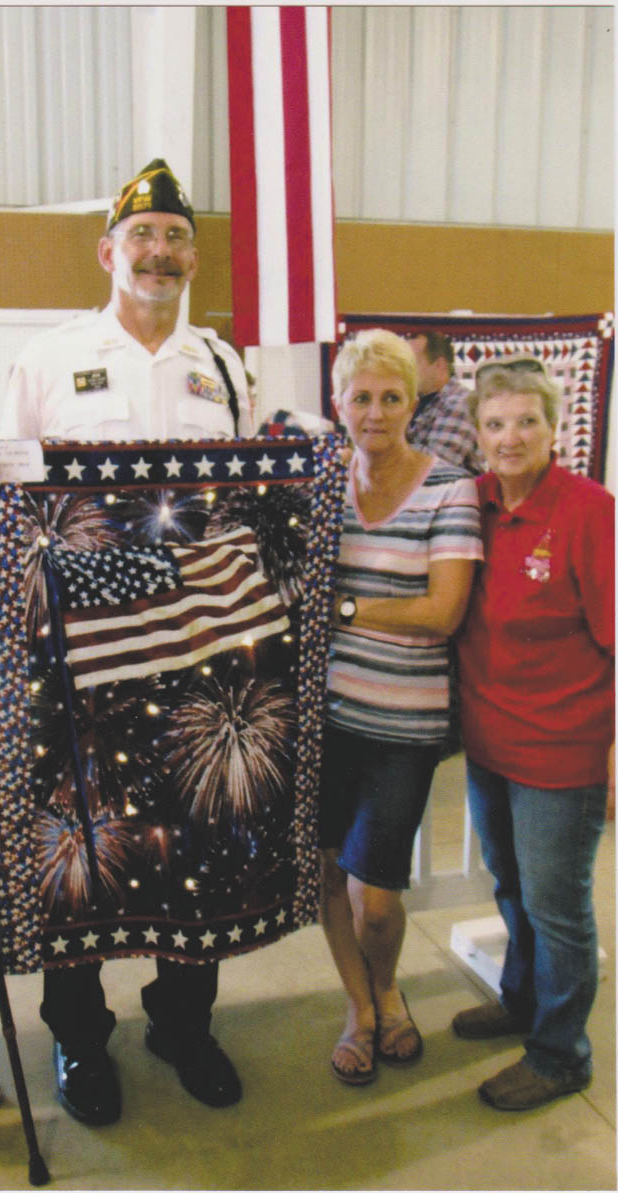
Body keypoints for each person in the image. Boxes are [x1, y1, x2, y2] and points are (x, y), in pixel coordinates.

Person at [0, 159, 249, 1125]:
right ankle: (80, 1042)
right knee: (81, 846)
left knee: (196, 838)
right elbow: (9, 497)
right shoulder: (49, 358)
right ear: (109, 251)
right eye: (143, 236)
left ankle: (184, 1020)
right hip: (81, 654)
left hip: (197, 648)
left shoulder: (226, 363)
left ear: (192, 256)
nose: (159, 251)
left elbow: (243, 505)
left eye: (175, 237)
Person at [451, 354, 614, 1110]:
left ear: (555, 426)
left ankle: (559, 1054)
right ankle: (520, 998)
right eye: (494, 423)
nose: (509, 437)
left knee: (557, 906)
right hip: (490, 743)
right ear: (477, 432)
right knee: (511, 885)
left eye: (526, 421)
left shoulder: (588, 511)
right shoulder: (471, 501)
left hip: (562, 750)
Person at [319, 328, 482, 1085]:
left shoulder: (448, 487)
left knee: (377, 897)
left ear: (413, 402)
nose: (376, 412)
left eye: (391, 397)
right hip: (324, 719)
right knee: (327, 876)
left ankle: (389, 984)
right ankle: (361, 1006)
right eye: (362, 397)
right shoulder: (321, 489)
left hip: (405, 725)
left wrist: (344, 608)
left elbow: (443, 610)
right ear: (339, 403)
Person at [405, 330, 484, 474]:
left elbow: (435, 467)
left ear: (439, 365)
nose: (404, 371)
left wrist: (387, 444)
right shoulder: (414, 403)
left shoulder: (461, 402)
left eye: (411, 363)